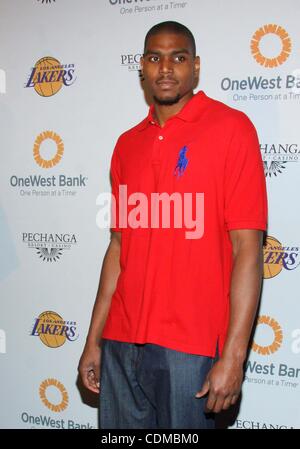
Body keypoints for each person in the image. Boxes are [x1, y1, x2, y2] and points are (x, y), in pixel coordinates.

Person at [78, 21, 268, 429]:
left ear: (195, 67)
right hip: (121, 342)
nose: (166, 68)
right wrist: (95, 338)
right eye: (155, 57)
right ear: (142, 67)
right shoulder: (127, 144)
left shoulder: (232, 129)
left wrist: (234, 356)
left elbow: (247, 249)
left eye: (178, 57)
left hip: (191, 347)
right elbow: (117, 248)